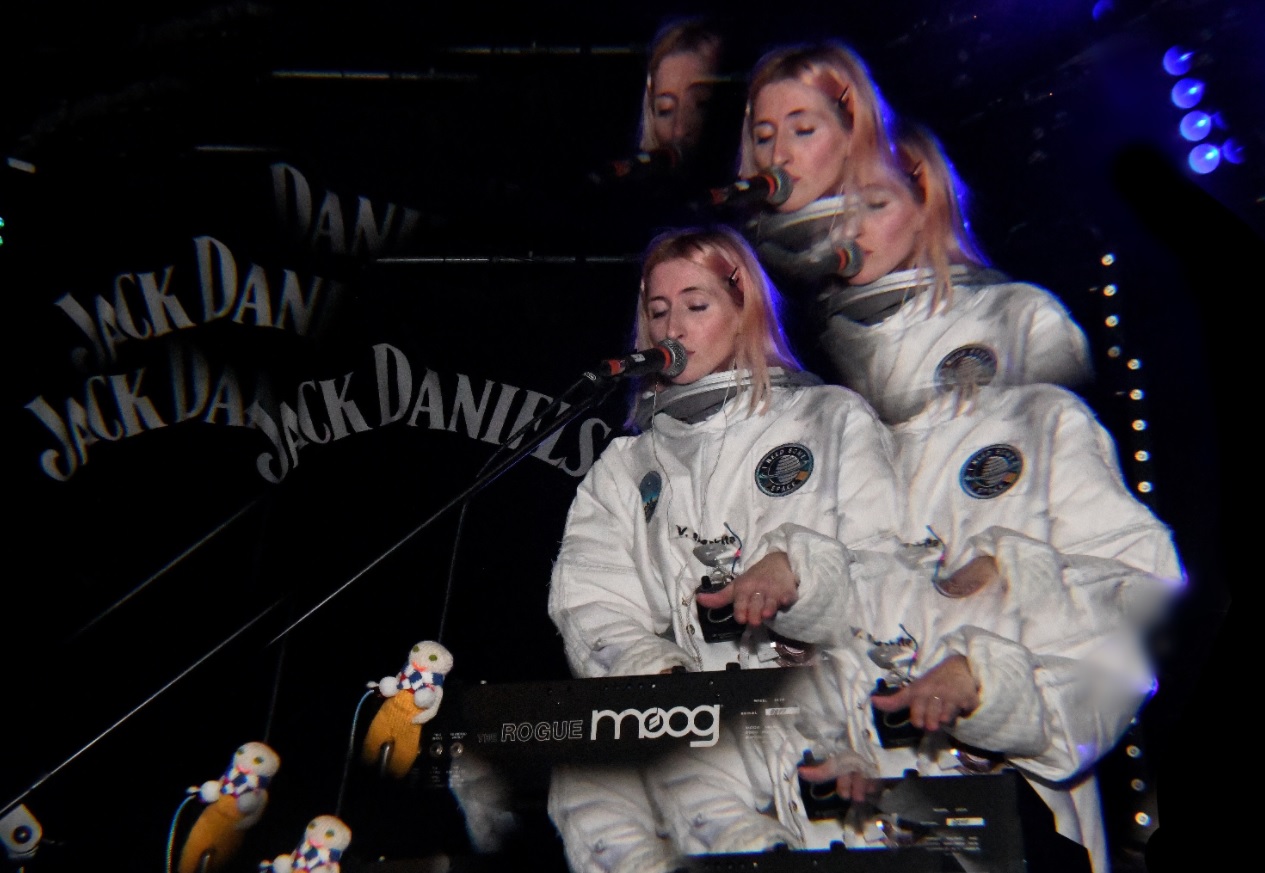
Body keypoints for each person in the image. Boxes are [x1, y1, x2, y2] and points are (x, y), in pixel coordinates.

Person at [546, 225, 909, 871]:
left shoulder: (829, 418)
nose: (672, 328)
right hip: (701, 750)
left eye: (696, 305)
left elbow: (884, 566)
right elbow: (591, 600)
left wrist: (797, 571)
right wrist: (662, 678)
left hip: (835, 731)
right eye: (658, 311)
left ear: (744, 311)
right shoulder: (625, 466)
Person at [815, 118, 1095, 424]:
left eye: (875, 204)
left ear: (927, 202)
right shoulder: (820, 350)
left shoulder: (1019, 316)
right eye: (834, 212)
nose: (848, 231)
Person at [733, 40, 897, 363]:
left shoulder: (898, 247)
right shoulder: (744, 266)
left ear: (853, 131)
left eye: (803, 130)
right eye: (764, 137)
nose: (778, 156)